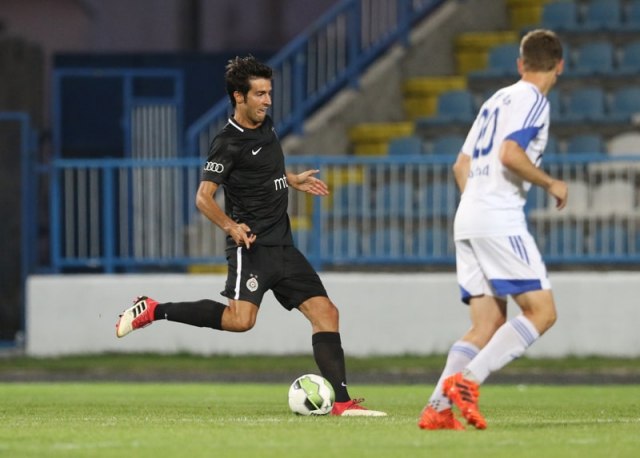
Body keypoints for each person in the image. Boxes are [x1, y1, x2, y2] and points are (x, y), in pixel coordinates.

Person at [115, 55, 386, 417]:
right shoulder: (226, 142)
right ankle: (153, 310)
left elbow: (262, 170)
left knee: (326, 312)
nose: (267, 100)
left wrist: (290, 180)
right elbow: (203, 198)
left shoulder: (266, 126)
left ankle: (341, 402)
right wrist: (230, 226)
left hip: (284, 245)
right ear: (238, 97)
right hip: (252, 247)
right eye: (259, 94)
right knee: (240, 321)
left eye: (268, 93)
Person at [418, 29, 568, 430]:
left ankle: (437, 408)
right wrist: (551, 183)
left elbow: (460, 165)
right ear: (559, 66)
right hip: (498, 217)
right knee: (542, 312)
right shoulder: (534, 100)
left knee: (486, 324)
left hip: (468, 215)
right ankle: (467, 382)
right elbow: (510, 154)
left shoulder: (496, 100)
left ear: (520, 64)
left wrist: (477, 201)